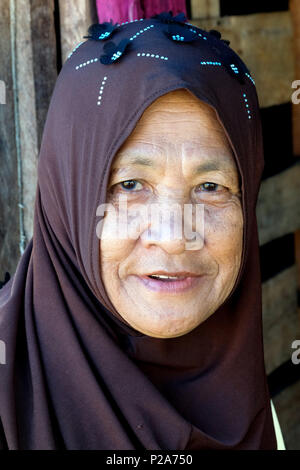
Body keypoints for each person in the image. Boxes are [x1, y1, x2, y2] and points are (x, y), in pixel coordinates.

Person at [0, 12, 285, 449]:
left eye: (211, 187)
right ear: (67, 198)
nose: (173, 235)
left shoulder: (251, 403)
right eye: (130, 185)